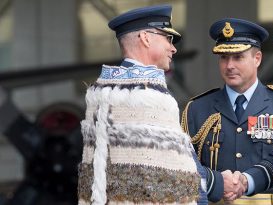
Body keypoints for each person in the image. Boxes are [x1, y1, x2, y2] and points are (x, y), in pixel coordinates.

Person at [77, 5, 208, 205]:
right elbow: (180, 175)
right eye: (168, 38)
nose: (173, 48)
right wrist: (220, 184)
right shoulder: (148, 97)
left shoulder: (101, 92)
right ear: (146, 38)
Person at [181, 18, 273, 203]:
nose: (229, 66)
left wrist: (247, 181)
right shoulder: (197, 109)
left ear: (257, 58)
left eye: (238, 57)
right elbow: (185, 167)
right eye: (224, 58)